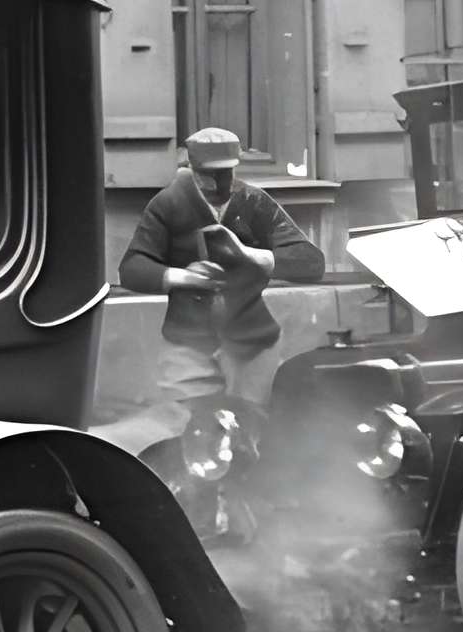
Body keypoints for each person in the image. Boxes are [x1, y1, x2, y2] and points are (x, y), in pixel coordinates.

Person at [117, 125, 329, 416]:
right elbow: (132, 268)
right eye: (207, 173)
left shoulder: (254, 201)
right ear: (191, 167)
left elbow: (311, 261)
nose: (217, 182)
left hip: (252, 342)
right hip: (189, 341)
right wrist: (183, 277)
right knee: (185, 426)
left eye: (225, 172)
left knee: (253, 426)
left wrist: (251, 256)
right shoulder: (168, 204)